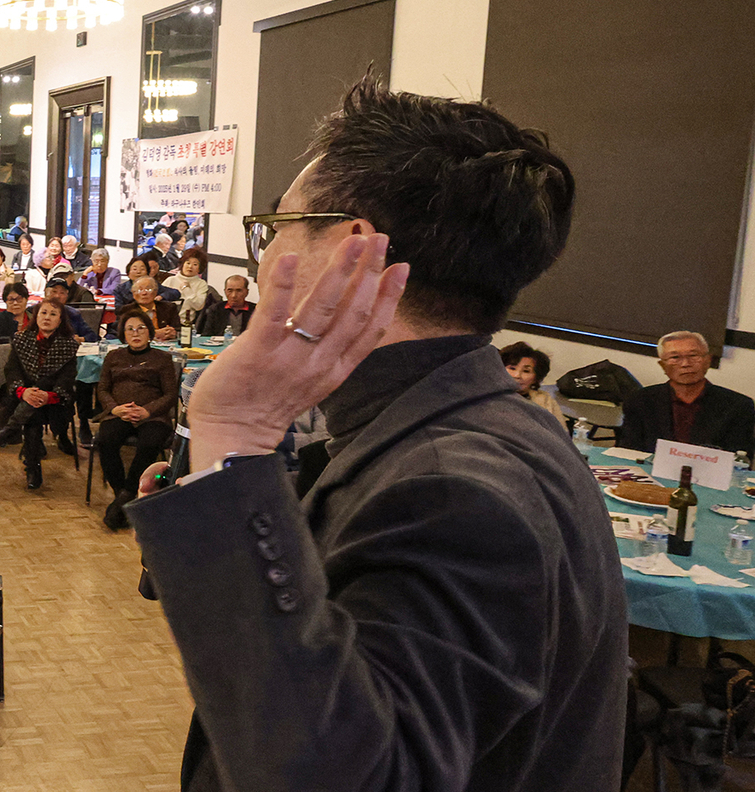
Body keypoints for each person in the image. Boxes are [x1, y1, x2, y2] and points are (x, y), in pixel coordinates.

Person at [124, 77, 623, 791]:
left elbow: (330, 774)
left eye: (275, 230)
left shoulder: (455, 492)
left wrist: (233, 433)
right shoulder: (474, 424)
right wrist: (221, 483)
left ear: (351, 250)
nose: (263, 261)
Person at [93, 313, 176, 527]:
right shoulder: (113, 357)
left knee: (150, 443)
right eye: (130, 329)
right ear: (123, 334)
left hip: (152, 415)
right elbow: (102, 389)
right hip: (119, 412)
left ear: (150, 332)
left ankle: (123, 499)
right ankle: (124, 496)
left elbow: (170, 394)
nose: (135, 333)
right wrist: (115, 408)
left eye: (141, 328)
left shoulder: (163, 358)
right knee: (105, 440)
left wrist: (147, 411)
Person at [0, 300, 83, 490]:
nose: (47, 318)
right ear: (36, 316)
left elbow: (67, 379)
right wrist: (23, 392)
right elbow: (12, 370)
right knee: (33, 416)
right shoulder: (22, 339)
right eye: (43, 313)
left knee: (34, 412)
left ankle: (16, 437)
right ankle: (32, 467)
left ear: (60, 320)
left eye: (53, 314)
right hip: (22, 397)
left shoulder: (69, 345)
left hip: (55, 400)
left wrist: (49, 396)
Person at [618, 330, 755, 456]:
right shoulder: (640, 400)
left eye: (693, 356)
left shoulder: (739, 405)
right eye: (675, 357)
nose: (685, 364)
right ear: (662, 365)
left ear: (708, 361)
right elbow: (628, 450)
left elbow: (740, 458)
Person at [499, 341, 565, 421]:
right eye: (512, 368)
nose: (517, 375)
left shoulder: (545, 402)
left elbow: (559, 432)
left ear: (536, 379)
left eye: (526, 371)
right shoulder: (487, 395)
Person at [163, 249, 221, 330]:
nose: (190, 266)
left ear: (200, 268)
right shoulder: (171, 280)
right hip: (166, 324)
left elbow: (198, 306)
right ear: (182, 264)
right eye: (188, 263)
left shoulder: (201, 284)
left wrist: (186, 289)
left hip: (186, 325)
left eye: (195, 264)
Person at [116, 277, 182, 342]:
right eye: (140, 290)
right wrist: (154, 334)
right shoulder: (126, 310)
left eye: (148, 289)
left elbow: (179, 329)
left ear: (155, 292)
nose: (144, 293)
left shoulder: (169, 307)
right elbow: (122, 334)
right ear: (134, 294)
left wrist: (173, 333)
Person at [112, 255, 181, 306]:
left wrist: (162, 296)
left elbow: (175, 292)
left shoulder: (154, 286)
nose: (138, 272)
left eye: (142, 269)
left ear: (147, 273)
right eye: (134, 269)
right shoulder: (120, 289)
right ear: (128, 273)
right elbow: (118, 309)